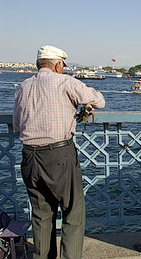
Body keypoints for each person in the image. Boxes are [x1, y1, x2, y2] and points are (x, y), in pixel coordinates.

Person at [13, 45, 105, 259]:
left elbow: (17, 124)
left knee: (41, 215)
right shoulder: (65, 81)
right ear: (57, 65)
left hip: (29, 156)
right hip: (58, 156)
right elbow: (99, 101)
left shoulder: (23, 86)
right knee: (73, 212)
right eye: (62, 65)